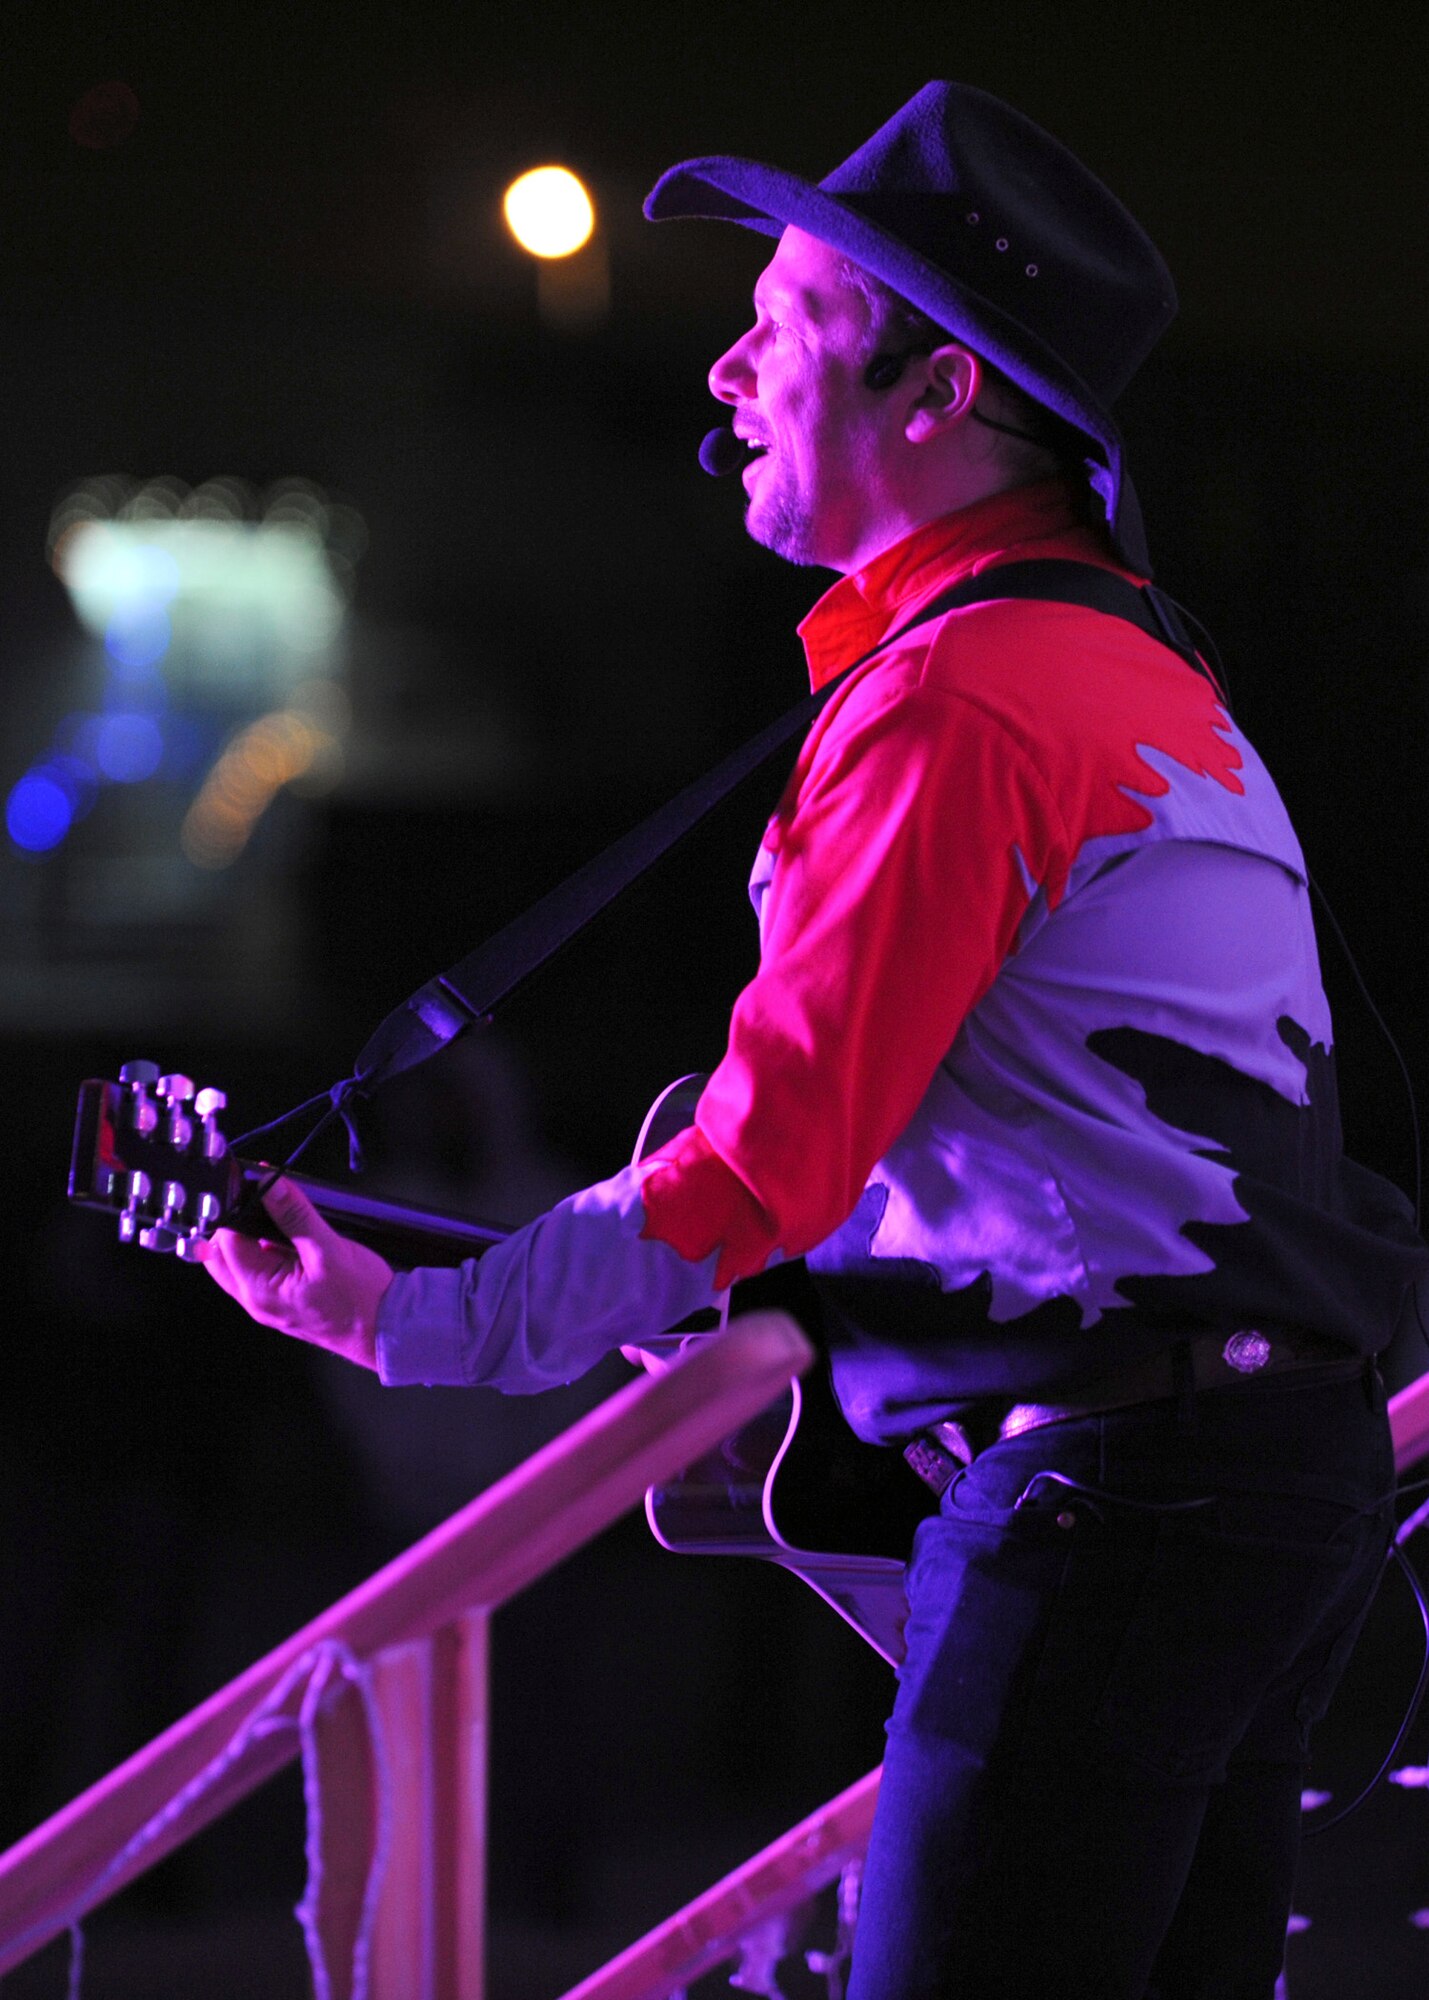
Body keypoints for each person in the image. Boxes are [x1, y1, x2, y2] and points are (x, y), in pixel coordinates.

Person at [199, 83, 1429, 1998]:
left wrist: (407, 1320)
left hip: (1120, 1501)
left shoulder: (966, 705)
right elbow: (1039, 1162)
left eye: (776, 320)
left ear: (931, 393)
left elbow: (770, 1159)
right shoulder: (1122, 671)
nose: (725, 361)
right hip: (1261, 1476)